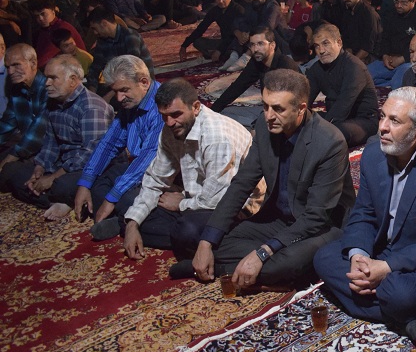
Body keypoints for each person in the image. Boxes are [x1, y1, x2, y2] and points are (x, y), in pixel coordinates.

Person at [314, 87, 416, 346]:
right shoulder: (373, 153)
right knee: (323, 258)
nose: (382, 128)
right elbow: (364, 212)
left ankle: (394, 305)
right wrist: (358, 257)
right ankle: (402, 319)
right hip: (384, 249)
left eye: (394, 121)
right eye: (382, 116)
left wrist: (386, 267)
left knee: (400, 293)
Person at [192, 69, 356, 290]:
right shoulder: (264, 126)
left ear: (301, 109)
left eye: (278, 109)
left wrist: (262, 252)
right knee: (218, 243)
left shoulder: (329, 141)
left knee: (286, 263)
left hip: (323, 225)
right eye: (265, 106)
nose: (269, 115)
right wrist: (206, 242)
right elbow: (242, 184)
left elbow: (316, 216)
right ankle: (271, 272)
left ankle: (274, 270)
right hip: (279, 219)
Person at [122, 78, 253, 278]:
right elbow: (155, 179)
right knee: (129, 205)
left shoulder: (217, 137)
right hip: (195, 201)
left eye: (176, 115)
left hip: (233, 209)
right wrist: (132, 224)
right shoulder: (170, 130)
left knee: (186, 229)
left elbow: (218, 201)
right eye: (164, 116)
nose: (169, 122)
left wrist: (181, 204)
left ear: (196, 107)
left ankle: (211, 256)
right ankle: (194, 245)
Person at [0, 54, 108, 222]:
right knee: (12, 172)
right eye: (46, 77)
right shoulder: (54, 103)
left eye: (53, 78)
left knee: (61, 186)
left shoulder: (91, 107)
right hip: (64, 164)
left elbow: (90, 154)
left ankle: (64, 197)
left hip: (89, 167)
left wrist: (53, 177)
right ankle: (61, 200)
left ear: (72, 80)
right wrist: (40, 167)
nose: (47, 83)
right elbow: (50, 143)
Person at [73, 56, 165, 240]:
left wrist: (112, 197)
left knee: (127, 198)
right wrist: (85, 183)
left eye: (124, 90)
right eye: (115, 91)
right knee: (97, 183)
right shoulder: (131, 103)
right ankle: (123, 218)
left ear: (144, 82)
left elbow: (149, 158)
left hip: (164, 173)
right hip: (139, 168)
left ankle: (124, 221)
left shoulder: (162, 105)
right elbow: (108, 144)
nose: (118, 98)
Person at [305, 24, 379, 147]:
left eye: (325, 43)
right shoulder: (316, 69)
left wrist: (320, 128)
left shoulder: (354, 67)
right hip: (334, 117)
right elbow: (304, 98)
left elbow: (343, 105)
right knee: (301, 119)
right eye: (317, 46)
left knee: (335, 133)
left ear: (339, 42)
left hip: (362, 121)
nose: (321, 50)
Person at [210, 26, 298, 126]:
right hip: (267, 110)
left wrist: (259, 124)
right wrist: (212, 111)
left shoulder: (285, 65)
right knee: (224, 113)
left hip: (285, 115)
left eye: (260, 44)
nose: (255, 49)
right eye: (252, 45)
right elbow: (238, 86)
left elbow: (289, 103)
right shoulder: (257, 61)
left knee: (257, 126)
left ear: (272, 45)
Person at [369, 0, 416, 89]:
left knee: (397, 84)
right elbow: (385, 37)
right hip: (390, 60)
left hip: (410, 61)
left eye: (404, 2)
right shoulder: (391, 13)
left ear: (413, 1)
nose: (399, 5)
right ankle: (387, 83)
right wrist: (385, 55)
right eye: (396, 1)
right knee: (365, 75)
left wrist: (402, 59)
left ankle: (390, 83)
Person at [85, 8, 155, 94]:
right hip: (118, 84)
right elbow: (95, 67)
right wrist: (92, 92)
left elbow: (131, 70)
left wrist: (111, 95)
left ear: (104, 23)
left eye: (95, 28)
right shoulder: (102, 42)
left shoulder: (130, 36)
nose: (95, 33)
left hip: (139, 85)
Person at [0, 44, 48, 170]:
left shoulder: (48, 89)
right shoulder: (18, 89)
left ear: (33, 63)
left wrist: (4, 164)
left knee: (8, 172)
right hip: (26, 149)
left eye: (16, 65)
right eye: (8, 67)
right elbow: (6, 125)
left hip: (47, 154)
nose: (10, 72)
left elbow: (36, 135)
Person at [179, 0, 245, 63]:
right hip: (224, 42)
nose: (220, 1)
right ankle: (224, 55)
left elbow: (235, 36)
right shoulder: (215, 11)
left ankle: (225, 55)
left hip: (236, 42)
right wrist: (184, 46)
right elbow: (201, 28)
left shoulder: (238, 10)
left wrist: (219, 50)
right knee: (197, 42)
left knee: (236, 47)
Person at [30, 0, 86, 69]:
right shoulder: (45, 29)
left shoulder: (61, 28)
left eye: (43, 14)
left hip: (78, 66)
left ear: (53, 11)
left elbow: (46, 56)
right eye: (37, 16)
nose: (40, 18)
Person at [336, 0, 381, 64]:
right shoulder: (347, 11)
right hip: (353, 56)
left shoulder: (368, 14)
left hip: (371, 58)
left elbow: (367, 48)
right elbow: (347, 39)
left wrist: (351, 62)